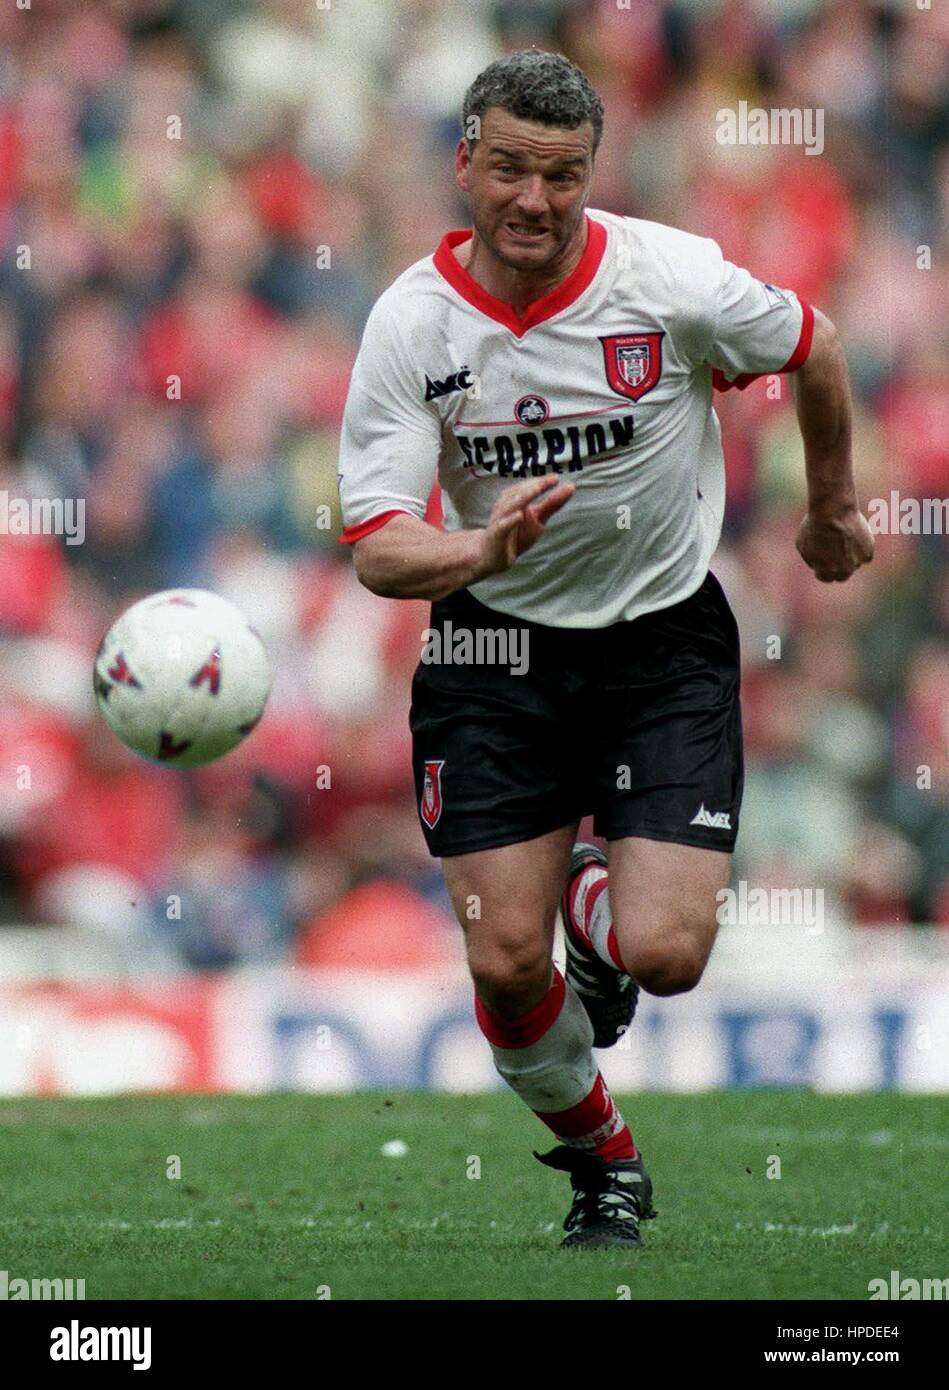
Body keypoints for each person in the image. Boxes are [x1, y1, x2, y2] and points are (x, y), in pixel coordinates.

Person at [337, 49, 874, 1248]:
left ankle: (604, 923)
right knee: (506, 962)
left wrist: (831, 504)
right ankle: (605, 1165)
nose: (534, 200)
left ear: (592, 176)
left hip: (658, 643)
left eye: (563, 177)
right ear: (464, 160)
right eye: (512, 170)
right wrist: (481, 553)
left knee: (671, 953)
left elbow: (817, 343)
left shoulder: (669, 280)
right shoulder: (410, 323)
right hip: (491, 655)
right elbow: (377, 546)